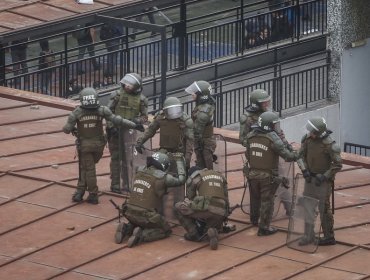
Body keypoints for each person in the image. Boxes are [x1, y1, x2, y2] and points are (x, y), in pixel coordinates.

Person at [62, 87, 144, 204]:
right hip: (99, 146)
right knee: (85, 167)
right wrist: (134, 125)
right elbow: (117, 120)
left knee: (88, 169)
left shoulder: (77, 112)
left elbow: (66, 129)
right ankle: (79, 191)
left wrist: (75, 130)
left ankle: (93, 194)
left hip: (85, 146)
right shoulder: (102, 110)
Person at [114, 152, 186, 247]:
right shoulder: (163, 177)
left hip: (128, 211)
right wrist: (179, 160)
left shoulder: (139, 170)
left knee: (137, 221)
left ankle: (126, 228)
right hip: (146, 215)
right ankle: (142, 235)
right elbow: (181, 180)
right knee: (165, 230)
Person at [245, 111, 298, 236]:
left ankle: (253, 219)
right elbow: (287, 156)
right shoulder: (273, 138)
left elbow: (248, 154)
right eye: (275, 124)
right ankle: (264, 228)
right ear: (269, 125)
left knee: (255, 198)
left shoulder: (251, 136)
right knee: (267, 202)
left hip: (252, 174)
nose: (277, 127)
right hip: (268, 177)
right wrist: (297, 154)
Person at [297, 117, 342, 246]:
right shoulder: (307, 140)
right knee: (308, 206)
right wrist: (304, 170)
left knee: (324, 209)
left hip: (323, 181)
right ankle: (308, 235)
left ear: (318, 132)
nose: (309, 133)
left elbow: (337, 164)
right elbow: (300, 156)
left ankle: (329, 236)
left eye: (312, 131)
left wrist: (325, 176)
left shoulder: (329, 145)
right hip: (309, 178)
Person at [107, 73, 148, 193]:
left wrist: (135, 121)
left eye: (130, 85)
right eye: (126, 84)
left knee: (128, 158)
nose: (127, 86)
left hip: (130, 132)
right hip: (115, 131)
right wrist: (111, 126)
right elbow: (108, 112)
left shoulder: (142, 99)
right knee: (115, 157)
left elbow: (144, 117)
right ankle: (115, 184)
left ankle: (126, 183)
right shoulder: (116, 95)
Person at [174, 166, 230, 250]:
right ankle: (212, 231)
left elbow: (191, 198)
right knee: (206, 232)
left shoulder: (196, 177)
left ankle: (193, 234)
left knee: (178, 207)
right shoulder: (220, 176)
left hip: (206, 209)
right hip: (221, 211)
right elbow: (226, 198)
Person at [186, 80, 216, 169]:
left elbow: (196, 131)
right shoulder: (202, 106)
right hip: (202, 141)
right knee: (201, 164)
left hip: (205, 142)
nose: (192, 94)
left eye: (195, 93)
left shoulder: (204, 111)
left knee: (207, 165)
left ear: (202, 95)